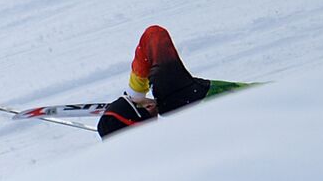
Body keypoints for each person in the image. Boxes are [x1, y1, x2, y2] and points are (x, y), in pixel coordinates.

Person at [97, 25, 247, 138]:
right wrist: (136, 91)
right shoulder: (171, 93)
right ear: (148, 106)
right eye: (132, 100)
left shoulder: (176, 145)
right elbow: (154, 35)